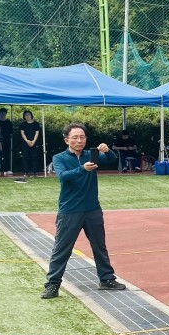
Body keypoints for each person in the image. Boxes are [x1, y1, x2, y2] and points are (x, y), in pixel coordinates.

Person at [41, 124, 128, 299]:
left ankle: (107, 279)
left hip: (92, 209)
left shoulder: (91, 155)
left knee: (99, 246)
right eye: (75, 137)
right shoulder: (59, 158)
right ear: (66, 140)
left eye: (82, 137)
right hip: (69, 211)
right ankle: (53, 284)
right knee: (62, 248)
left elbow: (110, 160)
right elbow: (63, 177)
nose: (79, 140)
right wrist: (83, 169)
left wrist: (108, 151)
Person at [19, 111, 42, 176]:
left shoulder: (36, 124)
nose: (27, 116)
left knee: (35, 157)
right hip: (25, 143)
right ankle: (26, 172)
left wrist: (33, 141)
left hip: (34, 143)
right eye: (26, 115)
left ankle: (35, 172)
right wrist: (27, 141)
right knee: (25, 157)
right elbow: (22, 133)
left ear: (31, 115)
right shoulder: (22, 124)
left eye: (28, 115)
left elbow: (37, 133)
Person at [0, 108, 14, 175]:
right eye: (1, 113)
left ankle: (7, 169)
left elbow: (11, 133)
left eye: (4, 113)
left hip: (7, 141)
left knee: (7, 155)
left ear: (6, 114)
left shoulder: (9, 123)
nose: (2, 114)